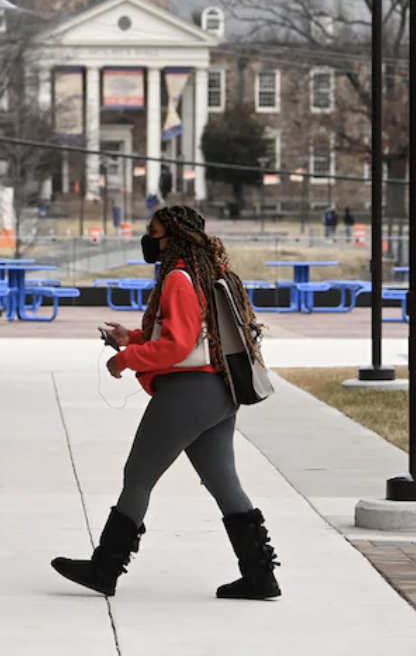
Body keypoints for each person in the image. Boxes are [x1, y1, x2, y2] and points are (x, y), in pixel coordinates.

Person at [51, 205, 280, 601]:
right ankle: (261, 576)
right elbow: (193, 336)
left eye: (153, 231)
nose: (148, 238)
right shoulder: (208, 272)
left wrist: (124, 359)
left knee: (138, 475)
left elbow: (176, 346)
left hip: (189, 390)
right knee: (225, 483)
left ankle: (104, 569)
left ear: (173, 236)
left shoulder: (177, 277)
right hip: (219, 390)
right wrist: (135, 338)